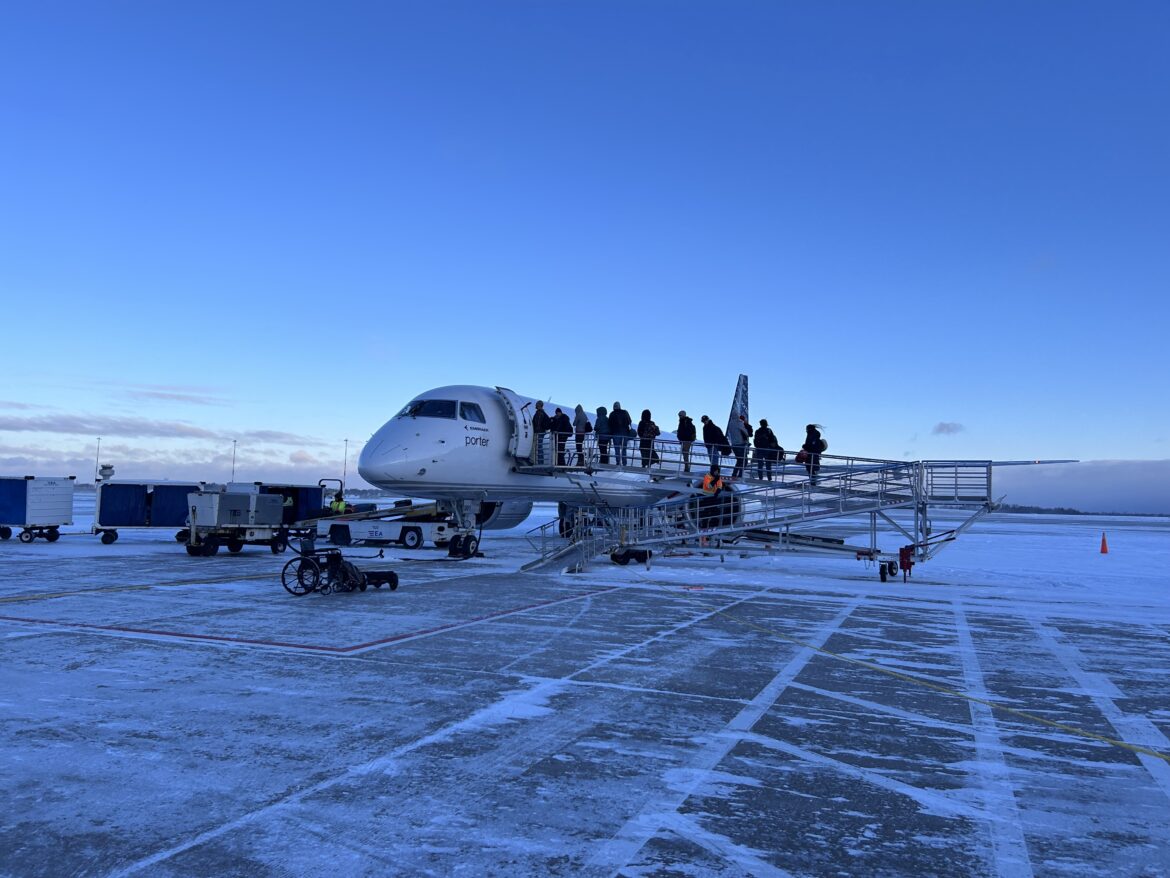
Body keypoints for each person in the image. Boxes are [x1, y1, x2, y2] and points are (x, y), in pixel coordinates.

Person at [698, 464, 724, 541]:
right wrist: (715, 480)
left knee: (715, 513)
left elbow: (720, 485)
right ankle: (703, 532)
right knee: (706, 515)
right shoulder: (707, 476)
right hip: (706, 498)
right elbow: (709, 486)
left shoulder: (718, 477)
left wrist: (718, 490)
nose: (717, 473)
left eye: (718, 471)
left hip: (713, 498)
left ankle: (713, 531)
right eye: (716, 471)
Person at [610, 402, 632, 466]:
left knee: (617, 449)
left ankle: (618, 462)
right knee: (624, 449)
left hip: (615, 434)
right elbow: (629, 421)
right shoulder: (625, 412)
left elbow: (610, 424)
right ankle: (624, 463)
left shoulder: (612, 414)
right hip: (624, 434)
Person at [531, 400, 551, 464]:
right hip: (541, 431)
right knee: (539, 447)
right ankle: (539, 461)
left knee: (539, 447)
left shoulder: (539, 413)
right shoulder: (541, 413)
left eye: (536, 404)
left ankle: (540, 462)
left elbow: (538, 423)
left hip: (539, 432)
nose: (535, 406)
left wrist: (536, 429)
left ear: (539, 405)